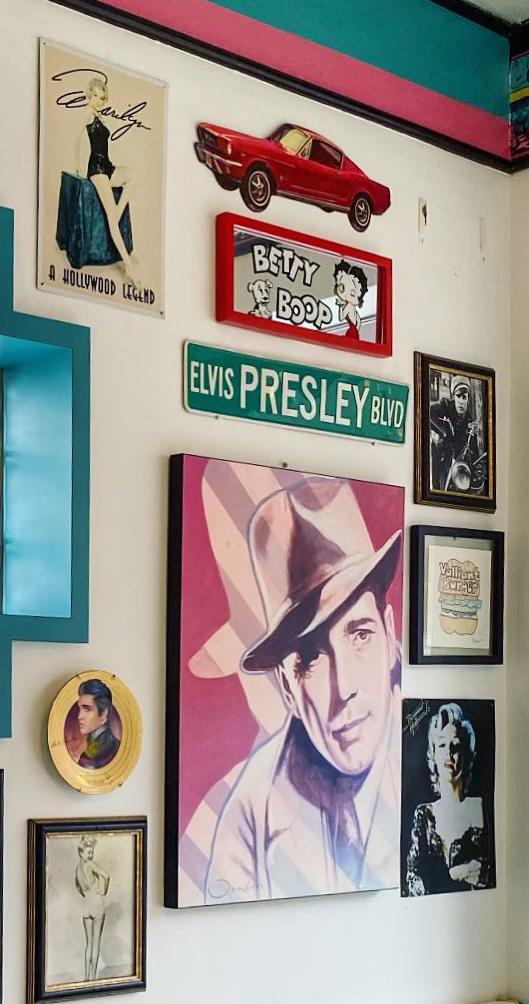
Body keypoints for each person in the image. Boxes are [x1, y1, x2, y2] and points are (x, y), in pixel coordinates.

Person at [204, 477, 403, 903]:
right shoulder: (250, 814)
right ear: (287, 687)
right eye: (310, 659)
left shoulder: (440, 753)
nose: (344, 687)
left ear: (390, 636)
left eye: (361, 634)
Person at [406, 704, 492, 895]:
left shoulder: (480, 808)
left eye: (456, 745)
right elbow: (412, 878)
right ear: (434, 755)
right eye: (442, 745)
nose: (449, 752)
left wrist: (478, 873)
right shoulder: (424, 814)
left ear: (466, 755)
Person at [76, 77, 138, 281]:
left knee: (133, 174)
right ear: (89, 95)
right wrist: (78, 166)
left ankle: (117, 214)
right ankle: (128, 265)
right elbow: (77, 138)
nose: (99, 100)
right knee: (111, 219)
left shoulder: (99, 115)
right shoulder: (87, 113)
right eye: (96, 96)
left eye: (102, 97)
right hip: (96, 169)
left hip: (108, 166)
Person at [428, 375, 477, 492]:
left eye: (464, 397)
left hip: (454, 456)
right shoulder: (444, 404)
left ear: (468, 400)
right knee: (436, 482)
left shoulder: (470, 421)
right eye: (458, 396)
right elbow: (428, 413)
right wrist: (444, 431)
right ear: (454, 397)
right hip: (439, 449)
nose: (461, 401)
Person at [75, 835, 110, 981]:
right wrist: (103, 891)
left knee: (88, 944)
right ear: (81, 852)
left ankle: (86, 978)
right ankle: (93, 978)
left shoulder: (77, 869)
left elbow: (78, 887)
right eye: (89, 852)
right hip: (96, 904)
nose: (91, 855)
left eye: (92, 852)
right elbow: (106, 876)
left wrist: (86, 894)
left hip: (86, 905)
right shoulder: (90, 865)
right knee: (96, 943)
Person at [71, 678, 120, 770]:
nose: (79, 716)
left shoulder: (109, 750)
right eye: (80, 708)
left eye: (87, 709)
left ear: (103, 713)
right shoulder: (92, 745)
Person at [333, 260, 368, 339]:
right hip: (354, 331)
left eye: (352, 293)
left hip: (351, 332)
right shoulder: (352, 307)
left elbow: (341, 317)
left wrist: (340, 306)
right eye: (342, 288)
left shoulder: (349, 306)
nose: (345, 295)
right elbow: (358, 322)